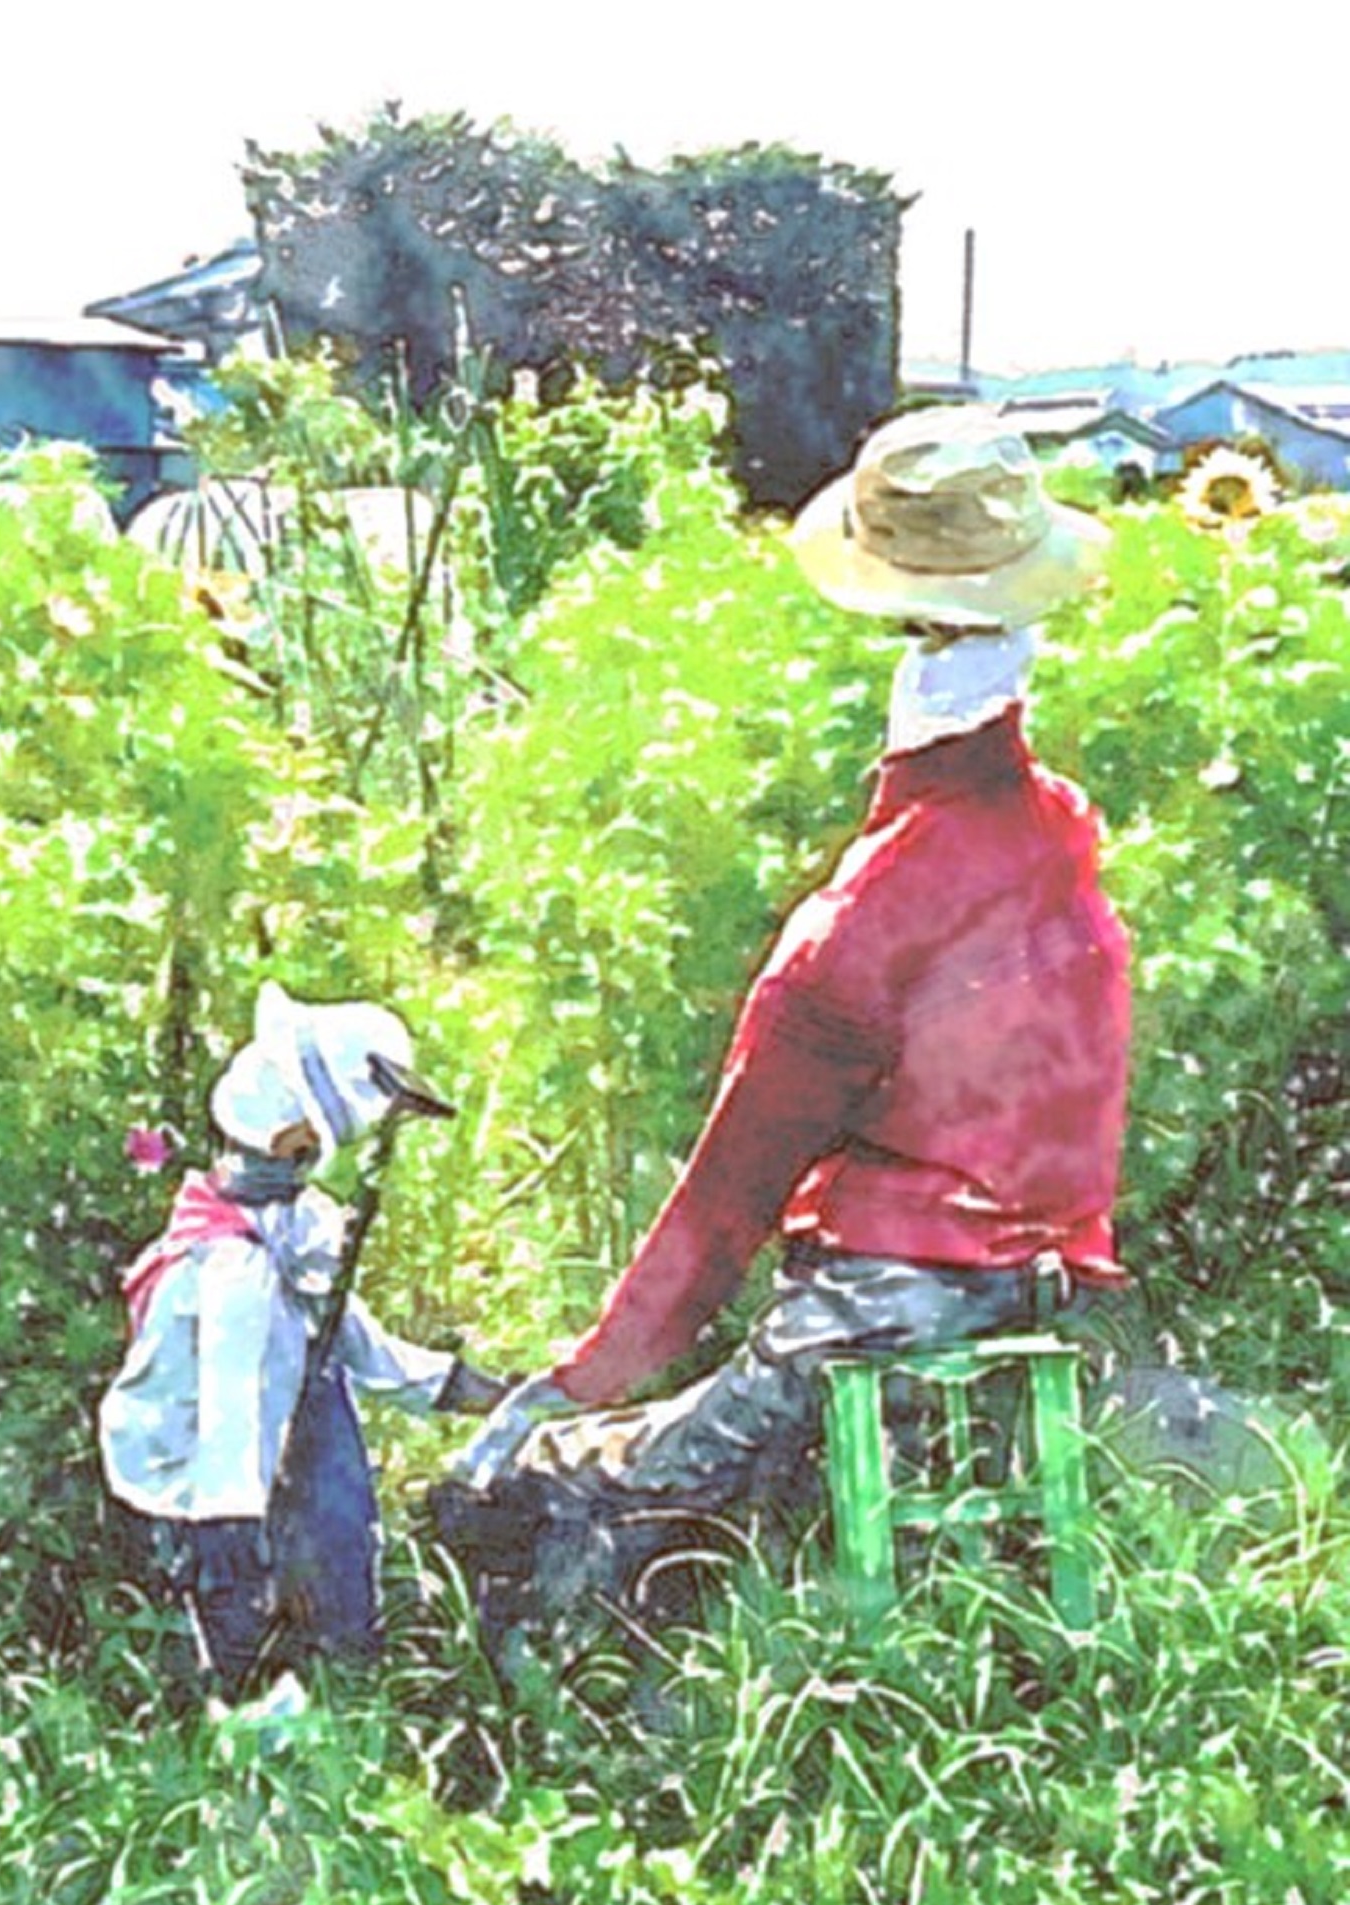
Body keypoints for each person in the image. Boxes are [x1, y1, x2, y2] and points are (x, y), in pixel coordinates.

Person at [440, 407, 1131, 1632]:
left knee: (545, 1483)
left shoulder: (864, 916)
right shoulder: (1058, 838)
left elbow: (724, 1201)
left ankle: (575, 1721)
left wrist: (575, 1382)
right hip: (1046, 1288)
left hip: (882, 1313)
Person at [99, 980, 505, 1701]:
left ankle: (340, 1681)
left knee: (339, 1563)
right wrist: (235, 1536)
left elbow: (352, 1337)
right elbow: (230, 1426)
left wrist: (473, 1391)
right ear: (293, 1140)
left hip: (283, 1431)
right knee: (239, 1642)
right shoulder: (230, 1270)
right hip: (201, 1481)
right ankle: (258, 1710)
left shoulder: (294, 1226)